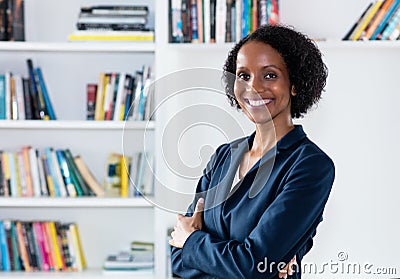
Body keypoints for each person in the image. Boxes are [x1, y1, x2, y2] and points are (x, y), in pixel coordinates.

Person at [169, 24, 335, 279]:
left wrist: (193, 242)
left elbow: (252, 265)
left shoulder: (310, 166)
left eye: (269, 75)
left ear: (294, 84)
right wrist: (231, 259)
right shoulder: (223, 157)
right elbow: (178, 260)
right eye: (243, 75)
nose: (253, 87)